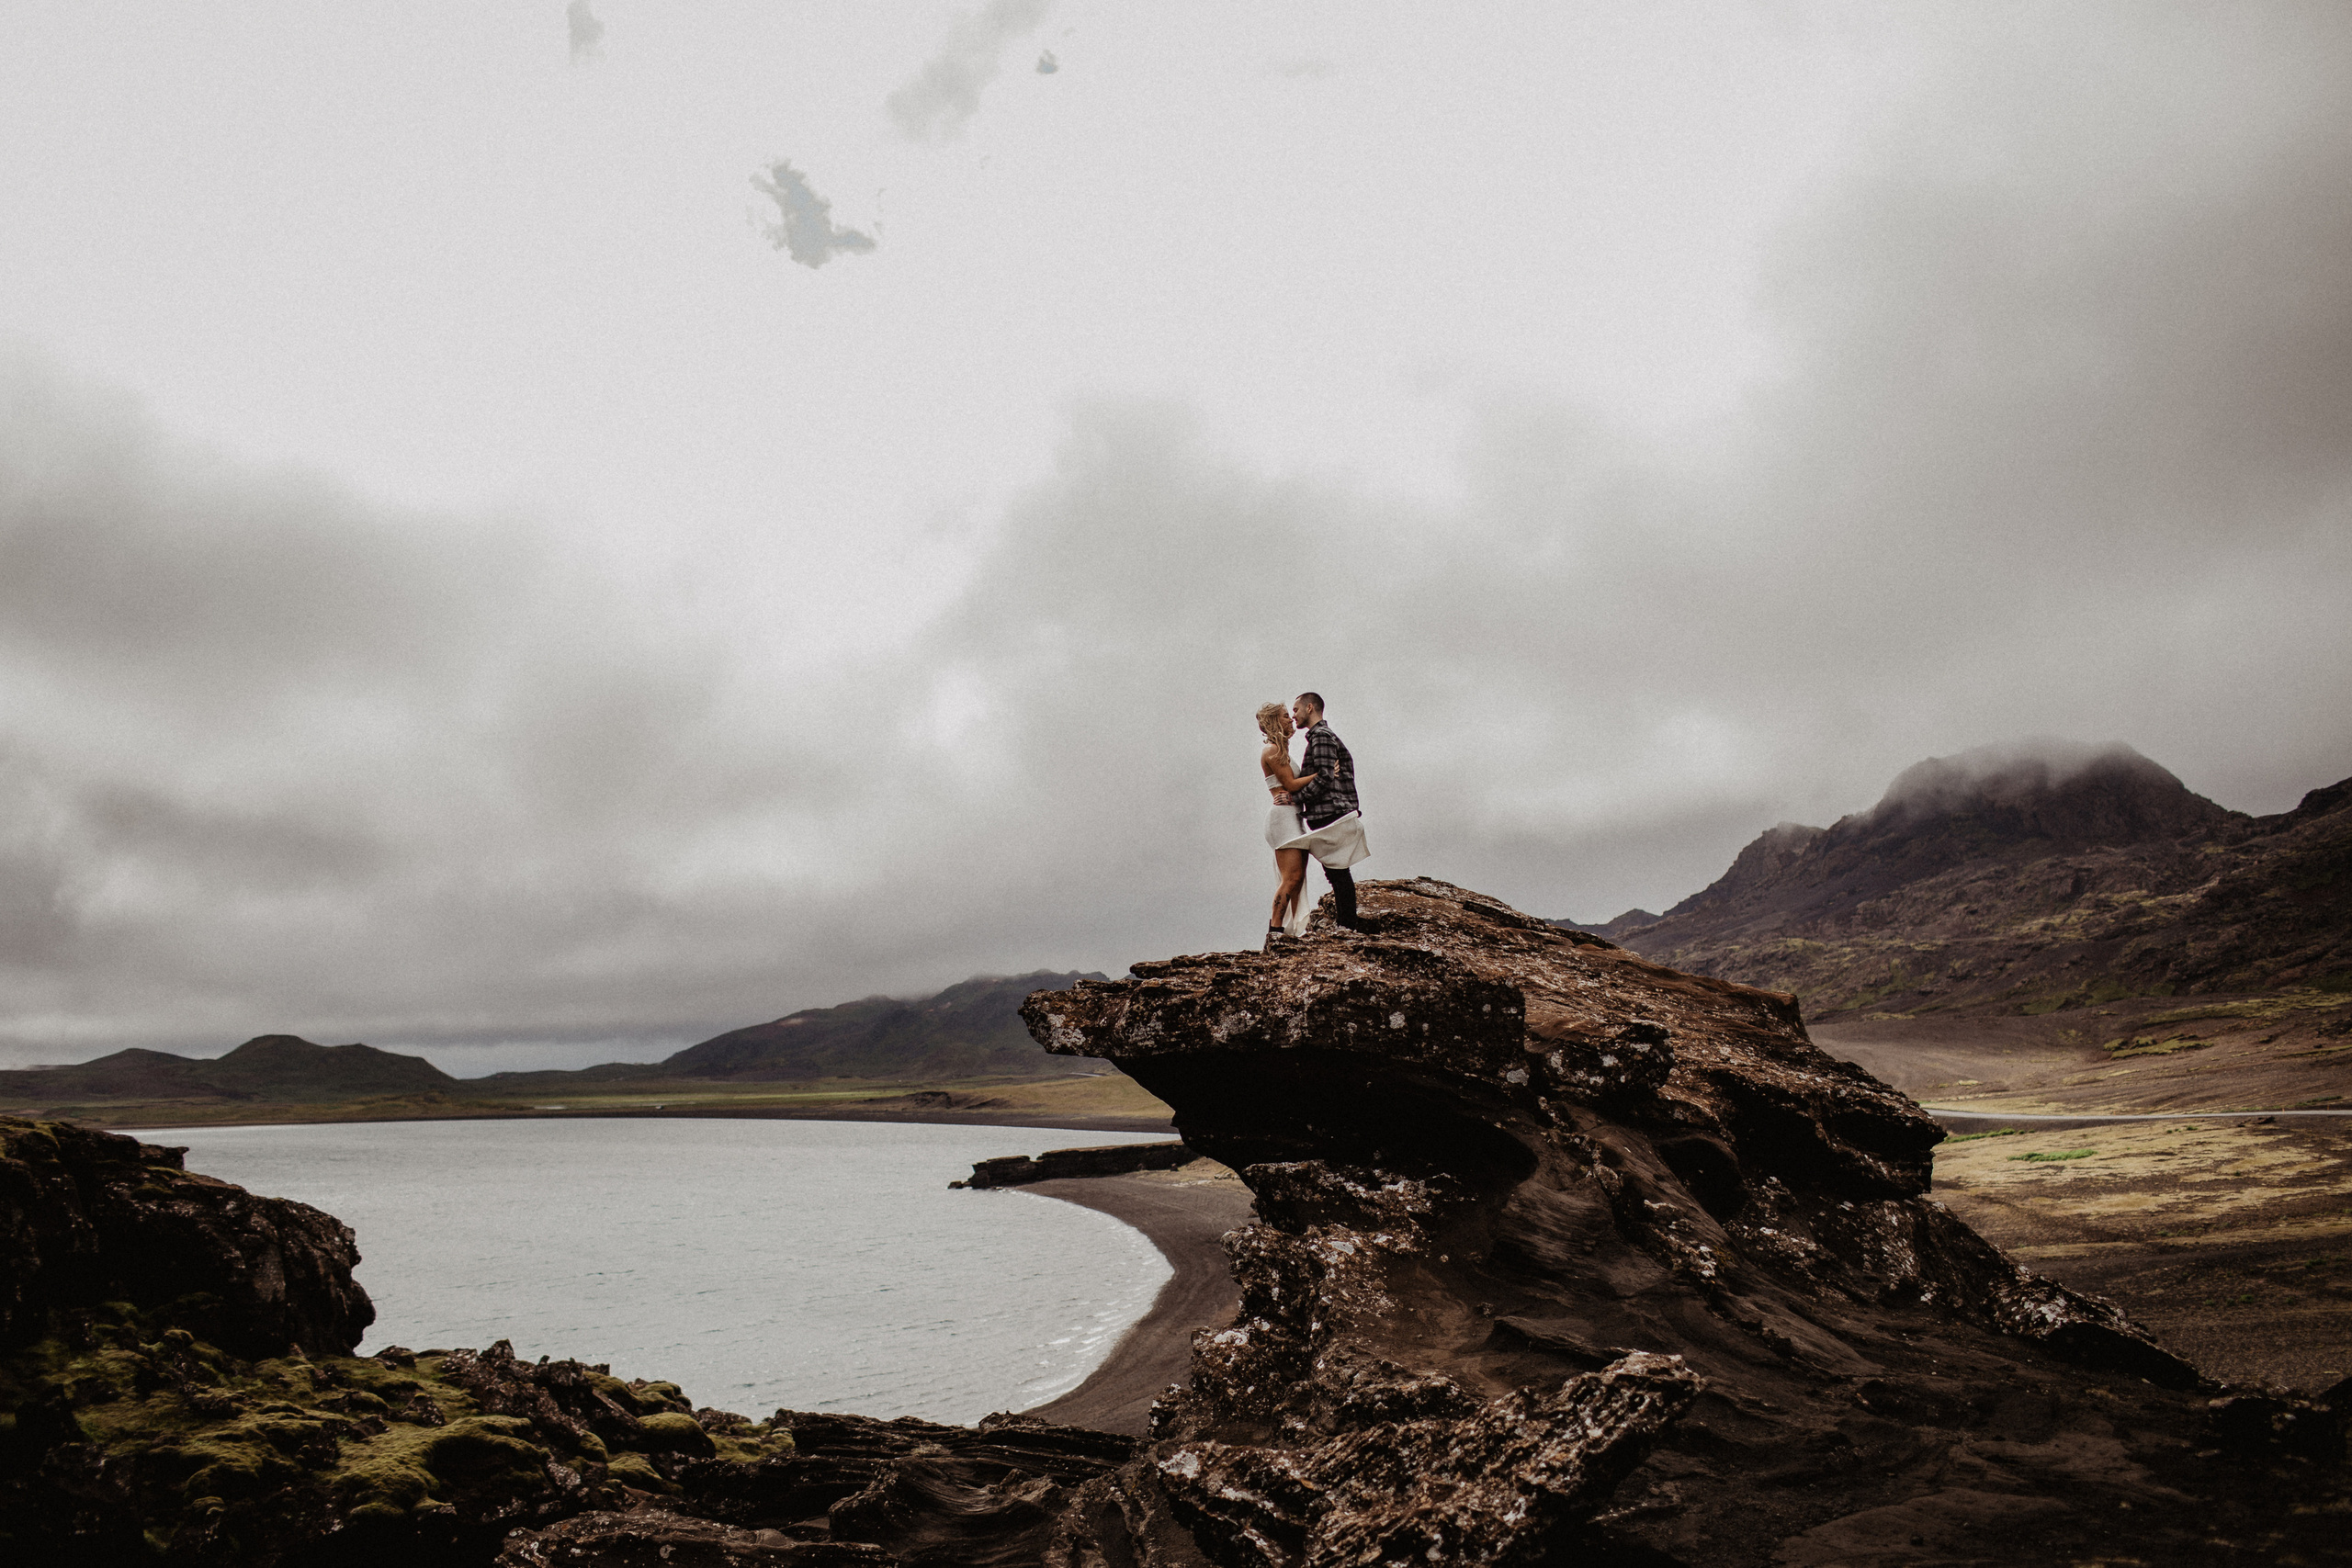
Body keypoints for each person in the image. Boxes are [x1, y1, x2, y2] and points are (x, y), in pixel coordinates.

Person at [1286, 692, 1370, 931]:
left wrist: (1296, 798)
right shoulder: (1320, 737)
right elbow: (1326, 773)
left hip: (1329, 811)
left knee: (1338, 871)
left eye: (1296, 710)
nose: (1294, 716)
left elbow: (1324, 777)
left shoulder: (1321, 736)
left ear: (1309, 708)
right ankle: (1347, 923)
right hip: (1328, 810)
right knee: (1336, 871)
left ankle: (1347, 925)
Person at [1256, 702, 1318, 947]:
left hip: (1293, 815)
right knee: (1290, 877)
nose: (1291, 719)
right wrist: (1323, 774)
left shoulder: (1281, 751)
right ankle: (1275, 932)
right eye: (1285, 716)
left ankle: (1294, 931)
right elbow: (1291, 785)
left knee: (1298, 877)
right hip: (1282, 818)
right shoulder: (1271, 751)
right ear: (1274, 721)